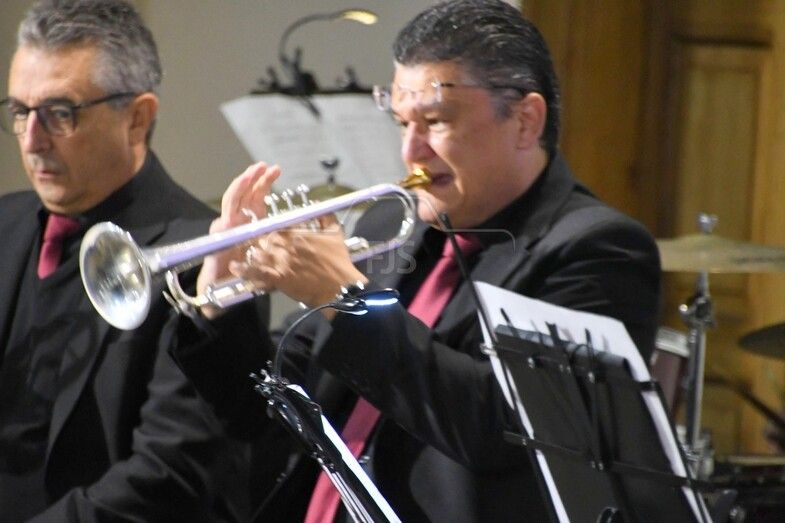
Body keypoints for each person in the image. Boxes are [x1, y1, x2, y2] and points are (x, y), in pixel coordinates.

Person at [169, 0, 661, 521]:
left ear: (525, 120)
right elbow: (261, 410)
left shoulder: (598, 249)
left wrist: (343, 299)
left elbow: (502, 428)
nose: (411, 150)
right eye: (403, 123)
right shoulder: (389, 225)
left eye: (435, 121)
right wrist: (218, 299)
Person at [0, 0, 266, 520]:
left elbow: (172, 473)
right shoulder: (6, 223)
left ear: (137, 118)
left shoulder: (207, 257)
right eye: (19, 112)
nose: (32, 141)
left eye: (60, 113)